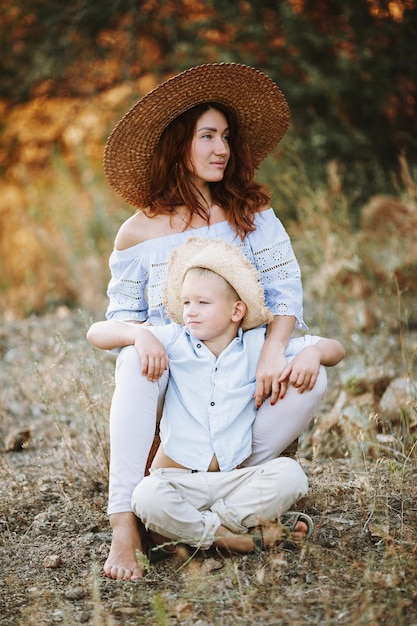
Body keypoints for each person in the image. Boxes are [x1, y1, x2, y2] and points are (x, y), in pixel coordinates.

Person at [95, 62, 329, 580]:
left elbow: (285, 291)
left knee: (317, 373)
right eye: (207, 136)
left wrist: (273, 349)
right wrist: (139, 335)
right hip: (176, 376)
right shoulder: (137, 234)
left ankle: (209, 505)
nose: (221, 148)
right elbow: (116, 324)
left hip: (244, 369)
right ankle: (125, 528)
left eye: (225, 136)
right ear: (177, 143)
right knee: (135, 355)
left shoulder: (252, 214)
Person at [88, 239, 345, 557]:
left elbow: (337, 349)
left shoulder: (256, 346)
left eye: (202, 303)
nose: (190, 312)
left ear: (237, 310)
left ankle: (199, 531)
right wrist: (139, 334)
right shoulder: (174, 340)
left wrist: (313, 352)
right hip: (177, 481)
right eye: (186, 303)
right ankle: (238, 538)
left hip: (235, 480)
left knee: (290, 475)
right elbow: (96, 332)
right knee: (147, 496)